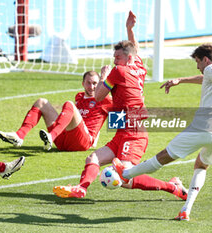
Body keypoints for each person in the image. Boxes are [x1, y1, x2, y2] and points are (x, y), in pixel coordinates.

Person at [53, 11, 188, 200]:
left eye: (117, 58)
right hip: (123, 130)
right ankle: (81, 189)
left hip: (133, 134)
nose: (114, 61)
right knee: (92, 158)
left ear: (126, 59)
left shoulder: (118, 71)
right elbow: (135, 50)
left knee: (125, 178)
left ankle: (172, 187)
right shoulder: (139, 66)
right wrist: (129, 29)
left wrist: (103, 77)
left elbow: (98, 97)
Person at [113, 43, 212, 221]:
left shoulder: (211, 68)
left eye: (198, 61)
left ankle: (126, 174)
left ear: (206, 59)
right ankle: (185, 210)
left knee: (164, 156)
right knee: (201, 165)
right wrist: (180, 80)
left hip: (205, 126)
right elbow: (208, 78)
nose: (197, 65)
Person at [0, 71, 112, 151]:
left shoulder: (105, 99)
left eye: (95, 84)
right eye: (88, 83)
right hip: (63, 142)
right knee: (41, 102)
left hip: (82, 142)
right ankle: (19, 136)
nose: (91, 87)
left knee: (69, 104)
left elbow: (121, 111)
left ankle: (51, 137)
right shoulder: (79, 97)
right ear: (83, 84)